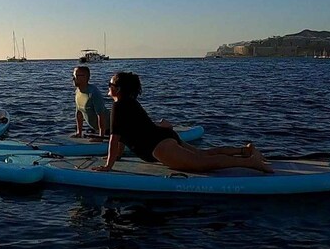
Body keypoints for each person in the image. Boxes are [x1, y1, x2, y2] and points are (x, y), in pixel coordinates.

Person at [94, 72, 272, 173]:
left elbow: (114, 138)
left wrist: (108, 166)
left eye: (109, 84)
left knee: (203, 164)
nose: (107, 87)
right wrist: (116, 157)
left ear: (117, 89)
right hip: (163, 138)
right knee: (204, 154)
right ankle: (245, 150)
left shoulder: (119, 106)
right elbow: (126, 135)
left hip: (158, 146)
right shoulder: (130, 103)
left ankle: (251, 162)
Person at [71, 66, 109, 137]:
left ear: (86, 77)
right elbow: (79, 113)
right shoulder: (78, 91)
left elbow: (101, 115)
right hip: (95, 129)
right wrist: (79, 132)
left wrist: (101, 137)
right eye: (73, 75)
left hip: (110, 129)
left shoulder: (93, 92)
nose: (73, 78)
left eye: (76, 75)